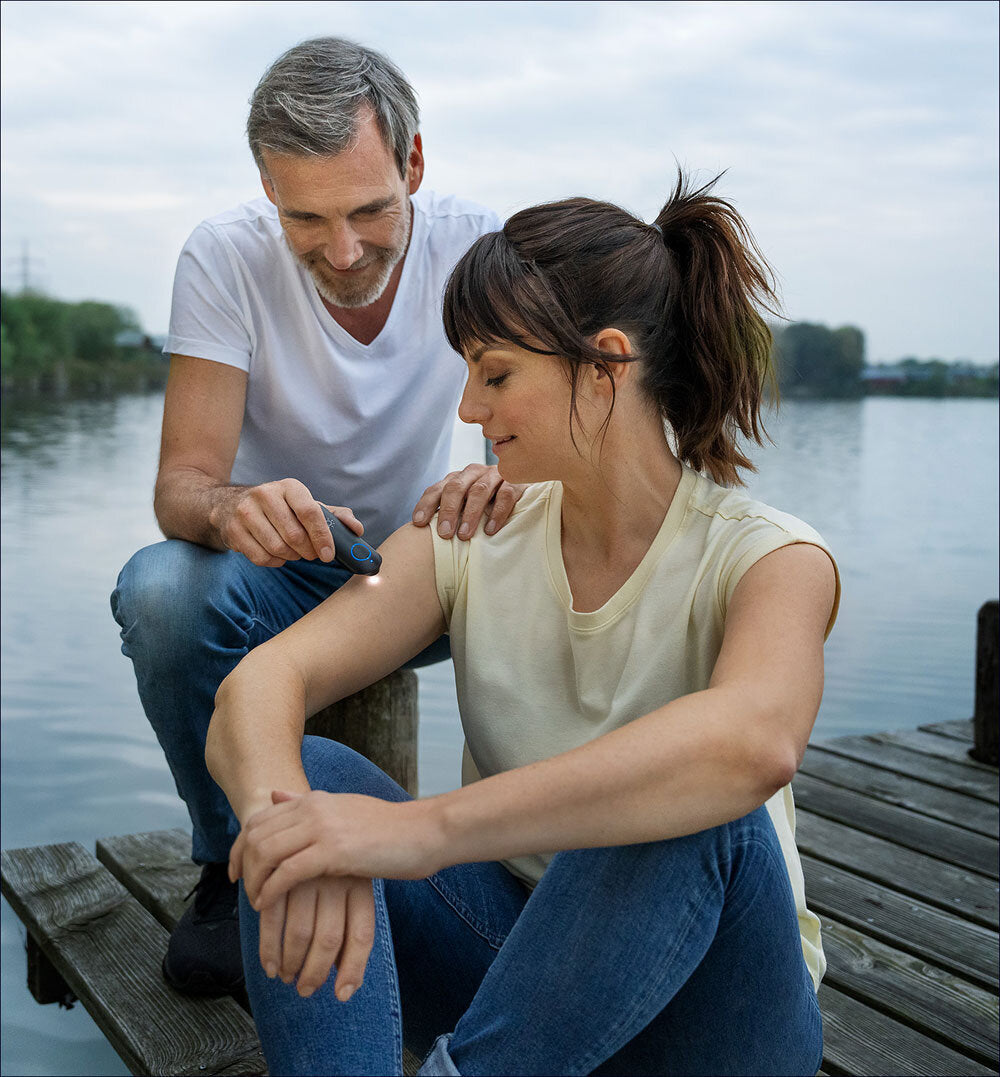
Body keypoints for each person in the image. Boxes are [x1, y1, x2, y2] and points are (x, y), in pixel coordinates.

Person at [206, 173, 840, 1076]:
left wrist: (418, 829)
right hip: (519, 990)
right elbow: (256, 686)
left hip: (717, 1021)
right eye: (467, 372)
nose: (469, 410)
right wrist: (301, 833)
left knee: (702, 805)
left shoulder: (770, 558)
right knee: (299, 788)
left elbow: (754, 745)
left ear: (604, 367)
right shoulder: (469, 530)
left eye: (496, 373)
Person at [110, 37, 522, 999]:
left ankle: (524, 856)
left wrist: (495, 491)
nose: (343, 252)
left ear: (415, 164)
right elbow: (181, 485)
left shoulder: (479, 244)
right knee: (160, 589)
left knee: (559, 572)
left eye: (371, 210)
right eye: (305, 218)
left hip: (423, 574)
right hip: (282, 576)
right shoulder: (222, 258)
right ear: (265, 188)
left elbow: (528, 448)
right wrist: (233, 507)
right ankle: (230, 861)